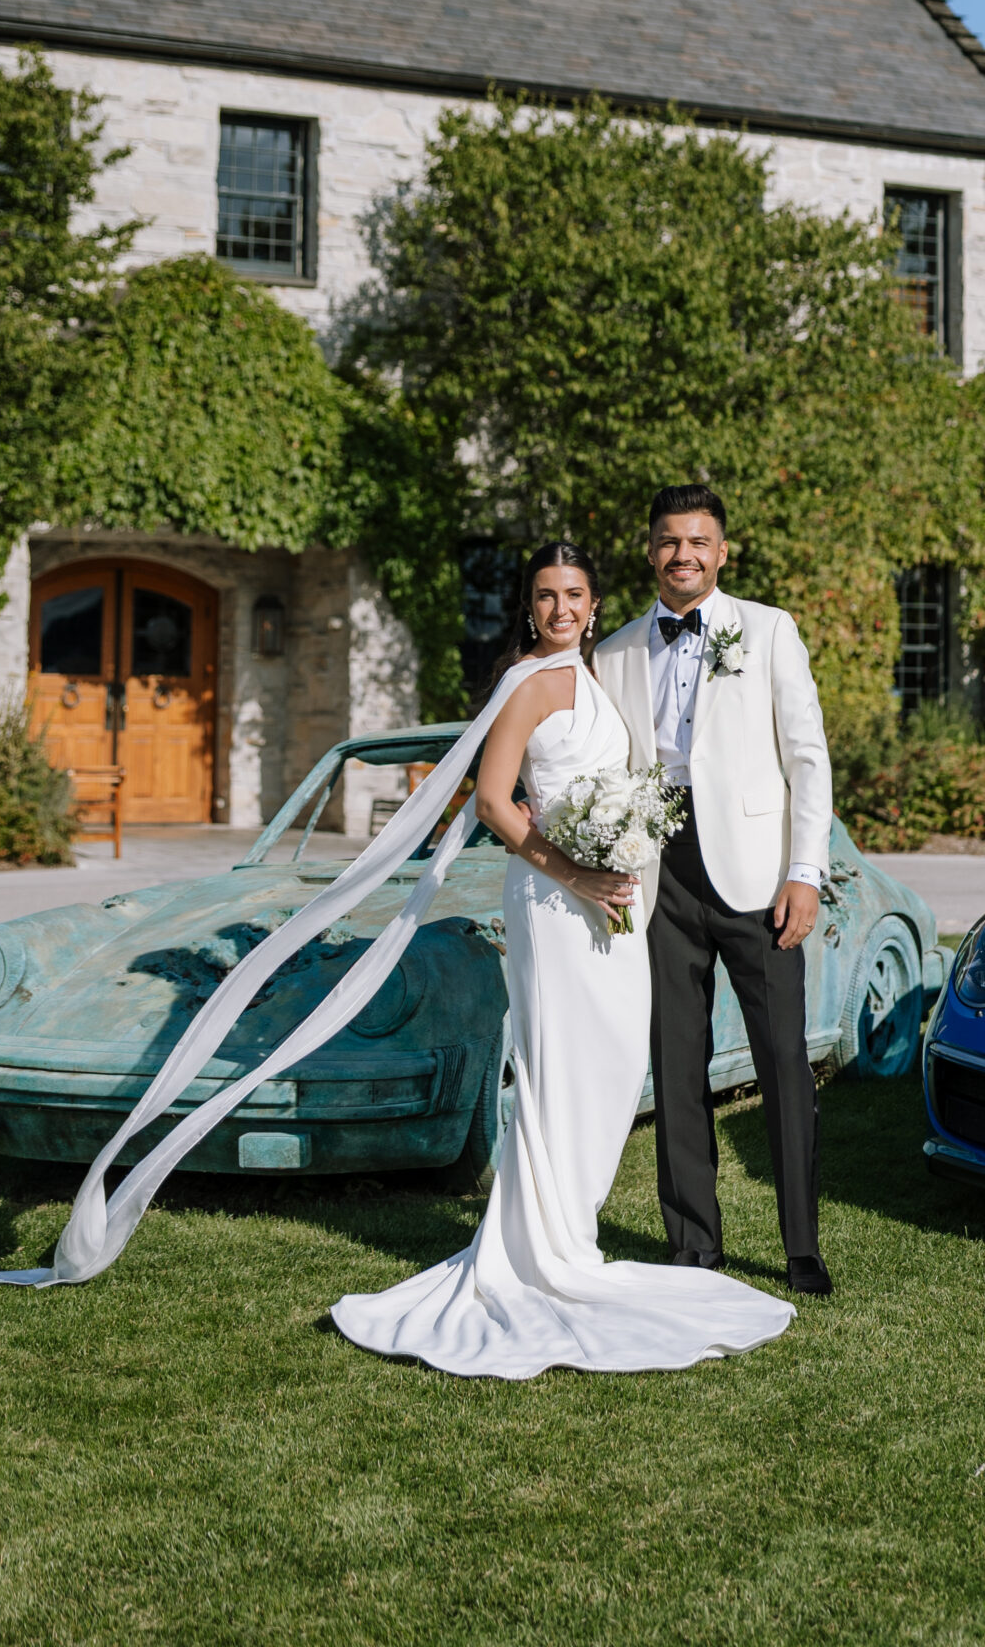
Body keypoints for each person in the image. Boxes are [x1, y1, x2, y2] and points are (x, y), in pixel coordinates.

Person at [328, 541, 795, 1375]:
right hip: (552, 903)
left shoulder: (596, 673)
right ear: (528, 606)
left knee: (610, 1070)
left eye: (574, 593)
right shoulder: (529, 682)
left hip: (609, 904)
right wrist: (576, 870)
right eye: (545, 596)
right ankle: (539, 1253)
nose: (561, 609)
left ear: (591, 599)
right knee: (556, 1070)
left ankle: (569, 1231)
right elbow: (493, 799)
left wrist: (621, 850)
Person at [594, 486, 835, 1299]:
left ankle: (800, 1246)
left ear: (722, 552)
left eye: (698, 542)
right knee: (677, 1063)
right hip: (660, 875)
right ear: (649, 550)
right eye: (669, 541)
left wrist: (804, 873)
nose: (683, 555)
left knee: (782, 1066)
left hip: (758, 879)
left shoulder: (768, 630)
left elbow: (807, 758)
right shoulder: (617, 651)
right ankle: (693, 1242)